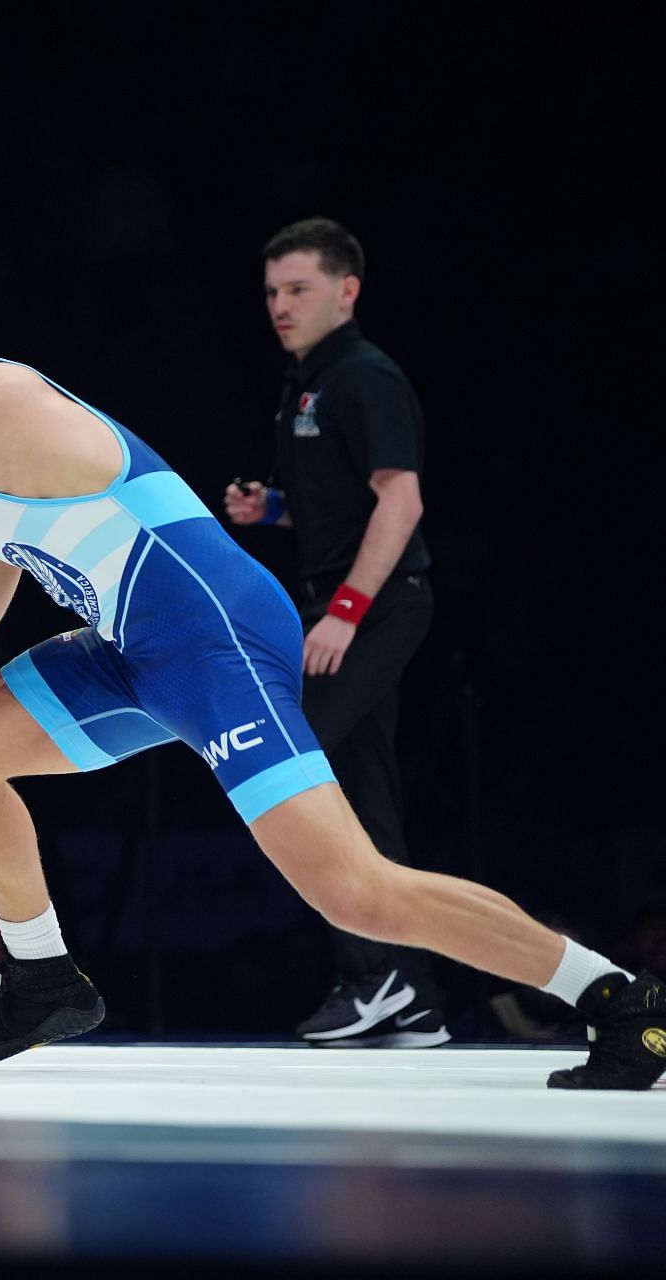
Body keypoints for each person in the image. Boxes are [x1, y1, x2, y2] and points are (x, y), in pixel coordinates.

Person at [0, 347, 663, 1090]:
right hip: (133, 649)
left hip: (214, 633)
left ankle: (624, 999)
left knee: (356, 892)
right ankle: (43, 974)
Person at [224, 217, 445, 1048]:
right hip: (334, 601)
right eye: (273, 292)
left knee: (290, 769)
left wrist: (347, 613)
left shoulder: (363, 376)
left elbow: (402, 501)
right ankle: (407, 991)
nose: (280, 306)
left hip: (375, 608)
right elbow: (342, 503)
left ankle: (375, 973)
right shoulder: (304, 383)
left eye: (299, 290)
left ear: (346, 291)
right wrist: (270, 511)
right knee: (363, 794)